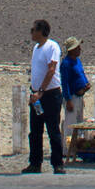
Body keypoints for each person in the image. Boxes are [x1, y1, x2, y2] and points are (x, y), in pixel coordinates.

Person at [24, 19, 65, 174]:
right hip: (37, 97)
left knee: (52, 129)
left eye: (33, 29)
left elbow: (51, 69)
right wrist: (34, 92)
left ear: (41, 31)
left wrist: (41, 91)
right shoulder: (36, 48)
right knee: (35, 130)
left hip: (49, 95)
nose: (31, 32)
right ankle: (35, 163)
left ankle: (57, 163)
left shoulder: (52, 46)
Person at [60, 36, 90, 150]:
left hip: (79, 96)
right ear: (71, 50)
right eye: (77, 47)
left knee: (79, 123)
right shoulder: (66, 64)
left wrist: (85, 86)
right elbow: (65, 83)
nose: (80, 49)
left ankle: (77, 147)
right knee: (70, 125)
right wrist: (68, 100)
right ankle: (67, 150)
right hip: (72, 97)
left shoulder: (77, 61)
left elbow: (81, 74)